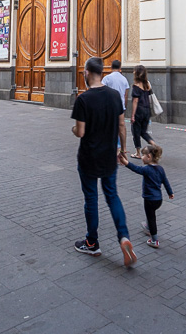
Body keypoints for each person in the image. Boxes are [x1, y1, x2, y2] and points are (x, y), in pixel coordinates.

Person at [71, 56, 136, 267]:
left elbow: (80, 132)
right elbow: (122, 126)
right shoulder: (115, 96)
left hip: (88, 157)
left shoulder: (83, 99)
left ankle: (92, 243)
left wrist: (73, 129)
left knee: (91, 199)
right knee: (112, 196)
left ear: (87, 73)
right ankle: (124, 236)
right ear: (101, 73)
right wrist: (123, 150)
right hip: (109, 155)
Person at [120, 142, 174, 248]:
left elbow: (136, 168)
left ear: (149, 156)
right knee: (151, 214)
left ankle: (154, 240)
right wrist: (170, 192)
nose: (142, 157)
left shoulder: (147, 169)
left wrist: (126, 163)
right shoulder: (160, 169)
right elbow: (165, 181)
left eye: (143, 155)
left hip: (149, 199)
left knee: (151, 217)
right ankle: (148, 226)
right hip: (158, 199)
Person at [130, 64, 154, 158]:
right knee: (143, 132)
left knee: (136, 132)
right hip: (147, 110)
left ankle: (138, 153)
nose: (133, 72)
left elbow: (135, 101)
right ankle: (154, 145)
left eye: (134, 71)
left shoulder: (136, 86)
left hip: (139, 111)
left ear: (136, 73)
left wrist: (133, 115)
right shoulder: (147, 84)